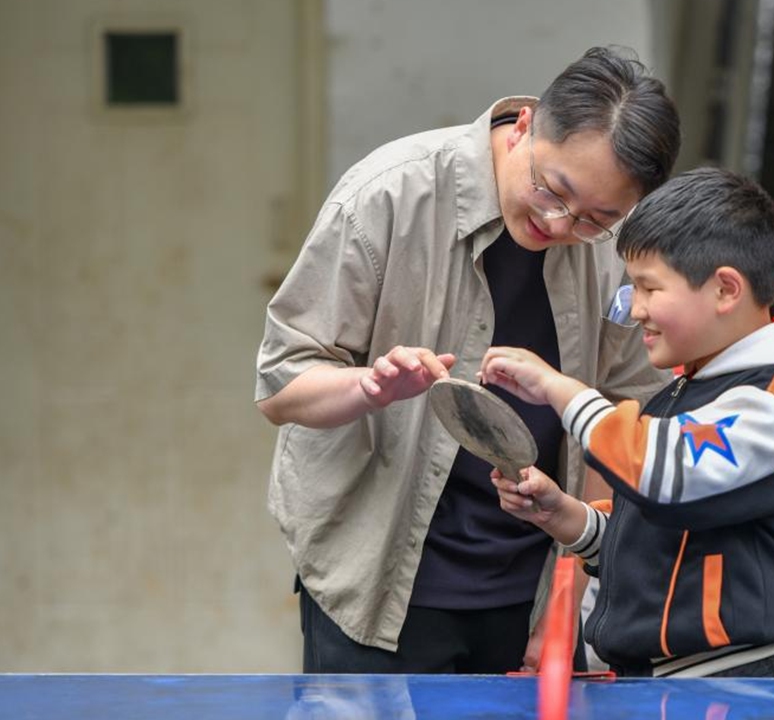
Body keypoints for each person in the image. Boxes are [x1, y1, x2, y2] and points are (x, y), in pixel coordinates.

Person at [254, 47, 681, 674]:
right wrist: (369, 388)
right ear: (526, 125)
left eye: (596, 219)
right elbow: (279, 386)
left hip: (528, 589)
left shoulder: (618, 248)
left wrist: (568, 598)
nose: (560, 224)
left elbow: (625, 414)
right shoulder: (389, 194)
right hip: (373, 579)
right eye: (552, 190)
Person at [479, 167, 774, 677]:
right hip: (665, 680)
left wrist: (564, 391)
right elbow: (660, 539)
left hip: (740, 681)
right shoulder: (679, 393)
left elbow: (670, 475)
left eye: (650, 288)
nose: (637, 310)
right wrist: (565, 516)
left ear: (725, 290)